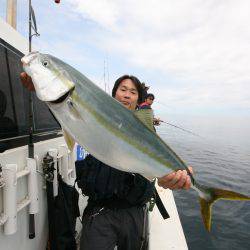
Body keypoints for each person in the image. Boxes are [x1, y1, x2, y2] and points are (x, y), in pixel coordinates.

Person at [20, 72, 193, 250]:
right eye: (123, 89)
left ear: (138, 99)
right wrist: (43, 92)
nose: (127, 94)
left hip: (134, 213)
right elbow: (68, 114)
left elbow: (157, 173)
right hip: (99, 212)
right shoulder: (93, 120)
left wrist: (169, 178)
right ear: (114, 94)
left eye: (133, 92)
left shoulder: (146, 135)